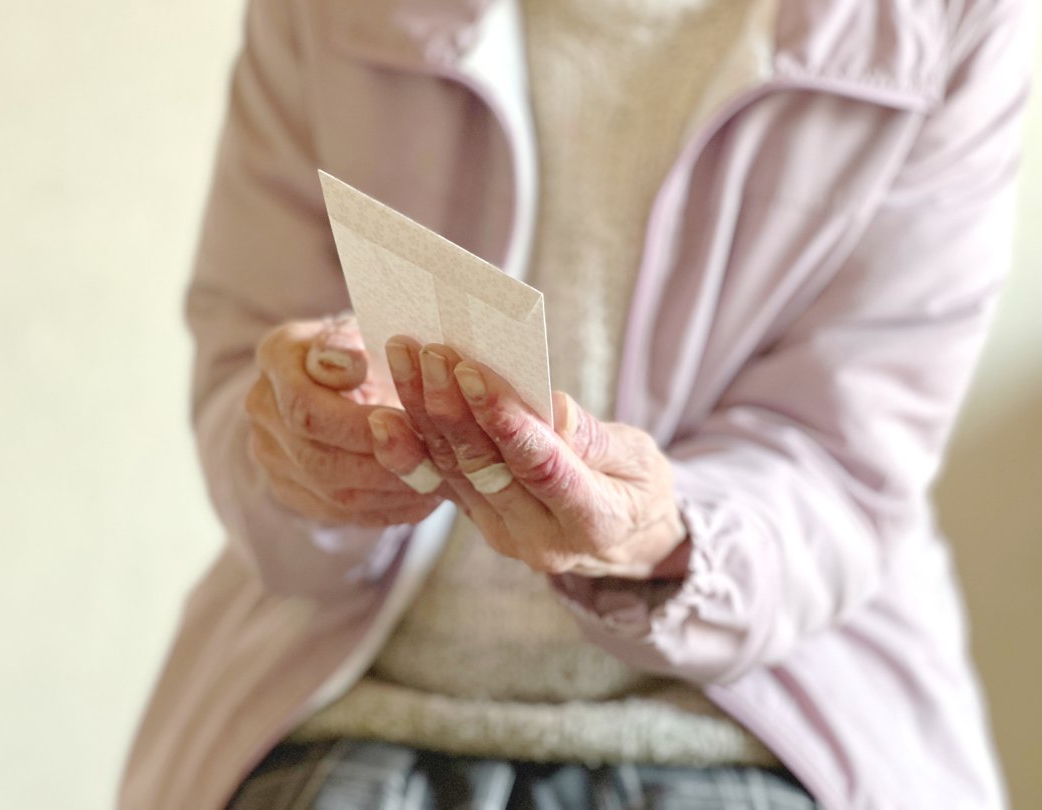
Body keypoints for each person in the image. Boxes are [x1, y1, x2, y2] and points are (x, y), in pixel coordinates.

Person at [119, 0, 1033, 807]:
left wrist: (663, 542)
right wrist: (309, 456)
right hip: (342, 700)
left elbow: (845, 463)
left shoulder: (951, 17)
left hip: (766, 722)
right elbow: (250, 376)